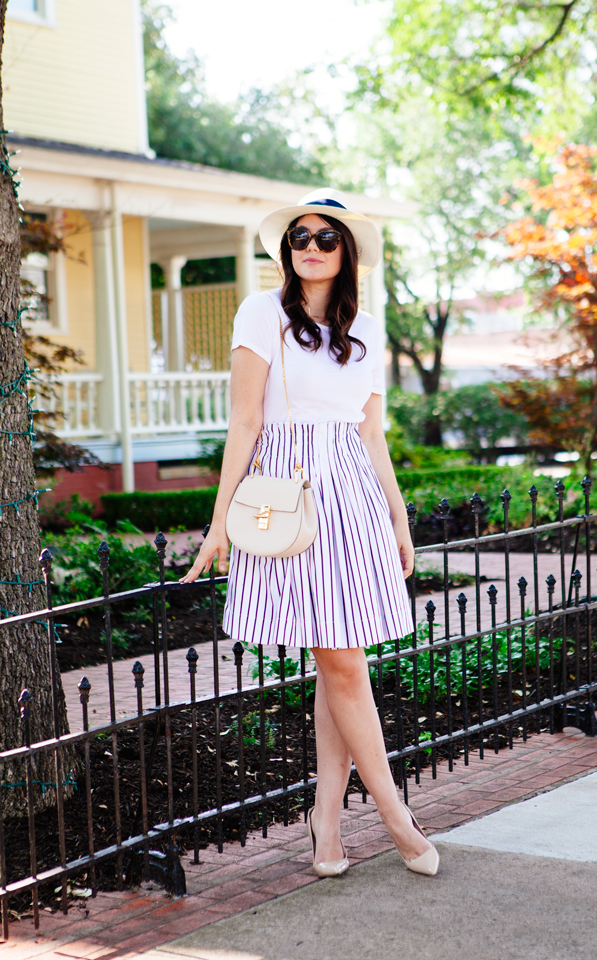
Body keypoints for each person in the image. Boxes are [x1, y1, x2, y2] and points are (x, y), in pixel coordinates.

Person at [181, 189, 439, 878]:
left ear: (346, 251)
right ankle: (394, 813)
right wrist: (219, 524)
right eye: (300, 236)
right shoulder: (261, 313)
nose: (311, 247)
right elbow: (245, 423)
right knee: (344, 663)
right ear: (286, 248)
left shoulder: (368, 327)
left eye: (327, 238)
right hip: (290, 495)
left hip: (352, 490)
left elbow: (372, 432)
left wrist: (398, 514)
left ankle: (326, 819)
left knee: (339, 664)